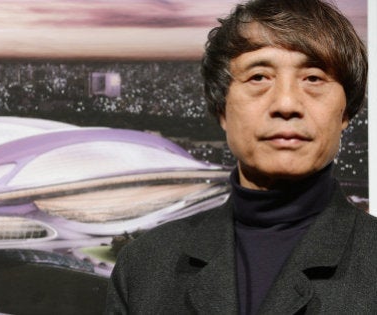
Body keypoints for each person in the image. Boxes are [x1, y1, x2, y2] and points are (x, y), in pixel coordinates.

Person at [105, 0, 375, 314]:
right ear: (222, 109)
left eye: (313, 78)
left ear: (346, 112)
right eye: (258, 77)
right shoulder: (144, 268)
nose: (286, 104)